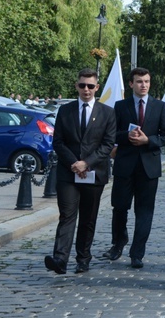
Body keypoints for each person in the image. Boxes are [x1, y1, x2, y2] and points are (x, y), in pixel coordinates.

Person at [45, 68, 116, 275]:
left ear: (97, 88)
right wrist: (75, 163)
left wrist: (87, 163)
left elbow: (107, 144)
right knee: (67, 215)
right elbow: (58, 142)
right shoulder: (65, 111)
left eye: (90, 86)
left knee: (88, 217)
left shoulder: (107, 113)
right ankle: (60, 258)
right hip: (69, 173)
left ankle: (83, 258)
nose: (86, 89)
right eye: (82, 85)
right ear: (76, 86)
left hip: (94, 173)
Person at [103, 67, 165, 269]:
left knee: (144, 212)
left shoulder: (159, 106)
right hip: (125, 165)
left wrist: (147, 140)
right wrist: (127, 136)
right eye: (140, 81)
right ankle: (118, 243)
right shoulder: (120, 106)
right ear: (131, 84)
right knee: (119, 208)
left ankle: (137, 252)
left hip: (148, 167)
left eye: (147, 81)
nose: (144, 85)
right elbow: (112, 134)